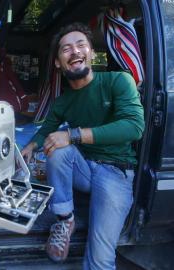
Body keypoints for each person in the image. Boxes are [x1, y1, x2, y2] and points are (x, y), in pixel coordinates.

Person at [21, 22, 144, 269]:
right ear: (58, 62)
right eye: (66, 49)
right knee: (58, 147)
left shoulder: (118, 81)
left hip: (116, 173)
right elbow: (46, 129)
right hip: (84, 170)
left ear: (91, 52)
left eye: (81, 45)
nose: (75, 51)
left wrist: (73, 135)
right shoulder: (62, 101)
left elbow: (134, 127)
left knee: (99, 258)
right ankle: (65, 220)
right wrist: (31, 146)